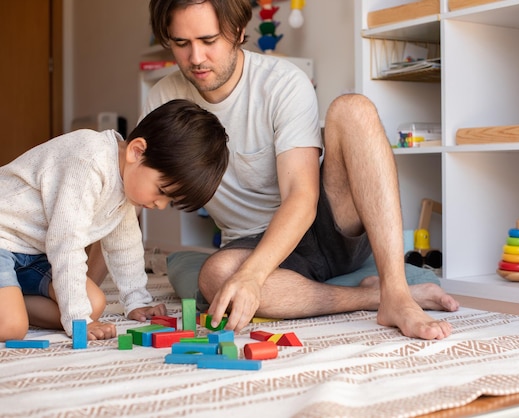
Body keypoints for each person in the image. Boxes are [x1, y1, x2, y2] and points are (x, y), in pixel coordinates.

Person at [132, 0, 460, 341]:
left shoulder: (282, 82)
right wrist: (86, 290)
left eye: (209, 40)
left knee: (354, 109)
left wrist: (253, 277)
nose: (196, 58)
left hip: (322, 225)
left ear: (239, 31)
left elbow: (302, 197)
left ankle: (397, 292)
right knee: (216, 276)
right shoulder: (163, 99)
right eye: (181, 44)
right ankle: (374, 297)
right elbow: (128, 190)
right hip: (249, 243)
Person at [0, 99, 229, 342]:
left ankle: (11, 299)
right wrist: (78, 321)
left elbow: (125, 245)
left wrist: (136, 301)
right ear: (136, 151)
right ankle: (10, 308)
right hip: (4, 238)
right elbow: (66, 245)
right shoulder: (88, 161)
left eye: (169, 201)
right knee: (12, 327)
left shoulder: (125, 183)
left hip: (32, 255)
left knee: (94, 303)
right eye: (161, 191)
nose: (159, 205)